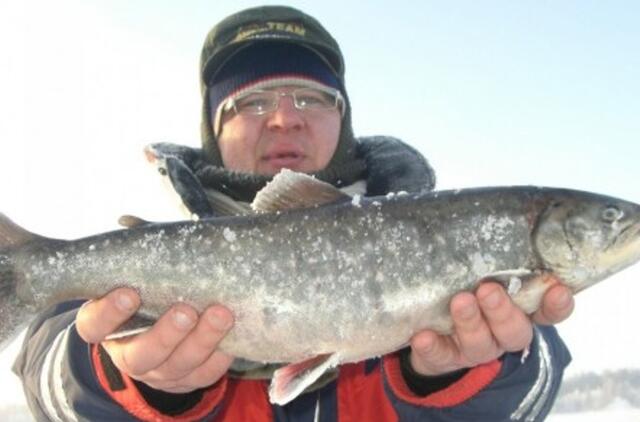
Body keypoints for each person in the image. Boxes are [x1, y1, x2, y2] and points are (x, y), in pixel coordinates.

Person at [13, 5, 573, 421]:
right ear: (214, 132)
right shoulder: (132, 267)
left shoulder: (463, 249)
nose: (284, 118)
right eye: (251, 102)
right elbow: (47, 380)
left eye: (310, 97)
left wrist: (468, 370)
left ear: (343, 120)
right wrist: (127, 380)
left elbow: (535, 387)